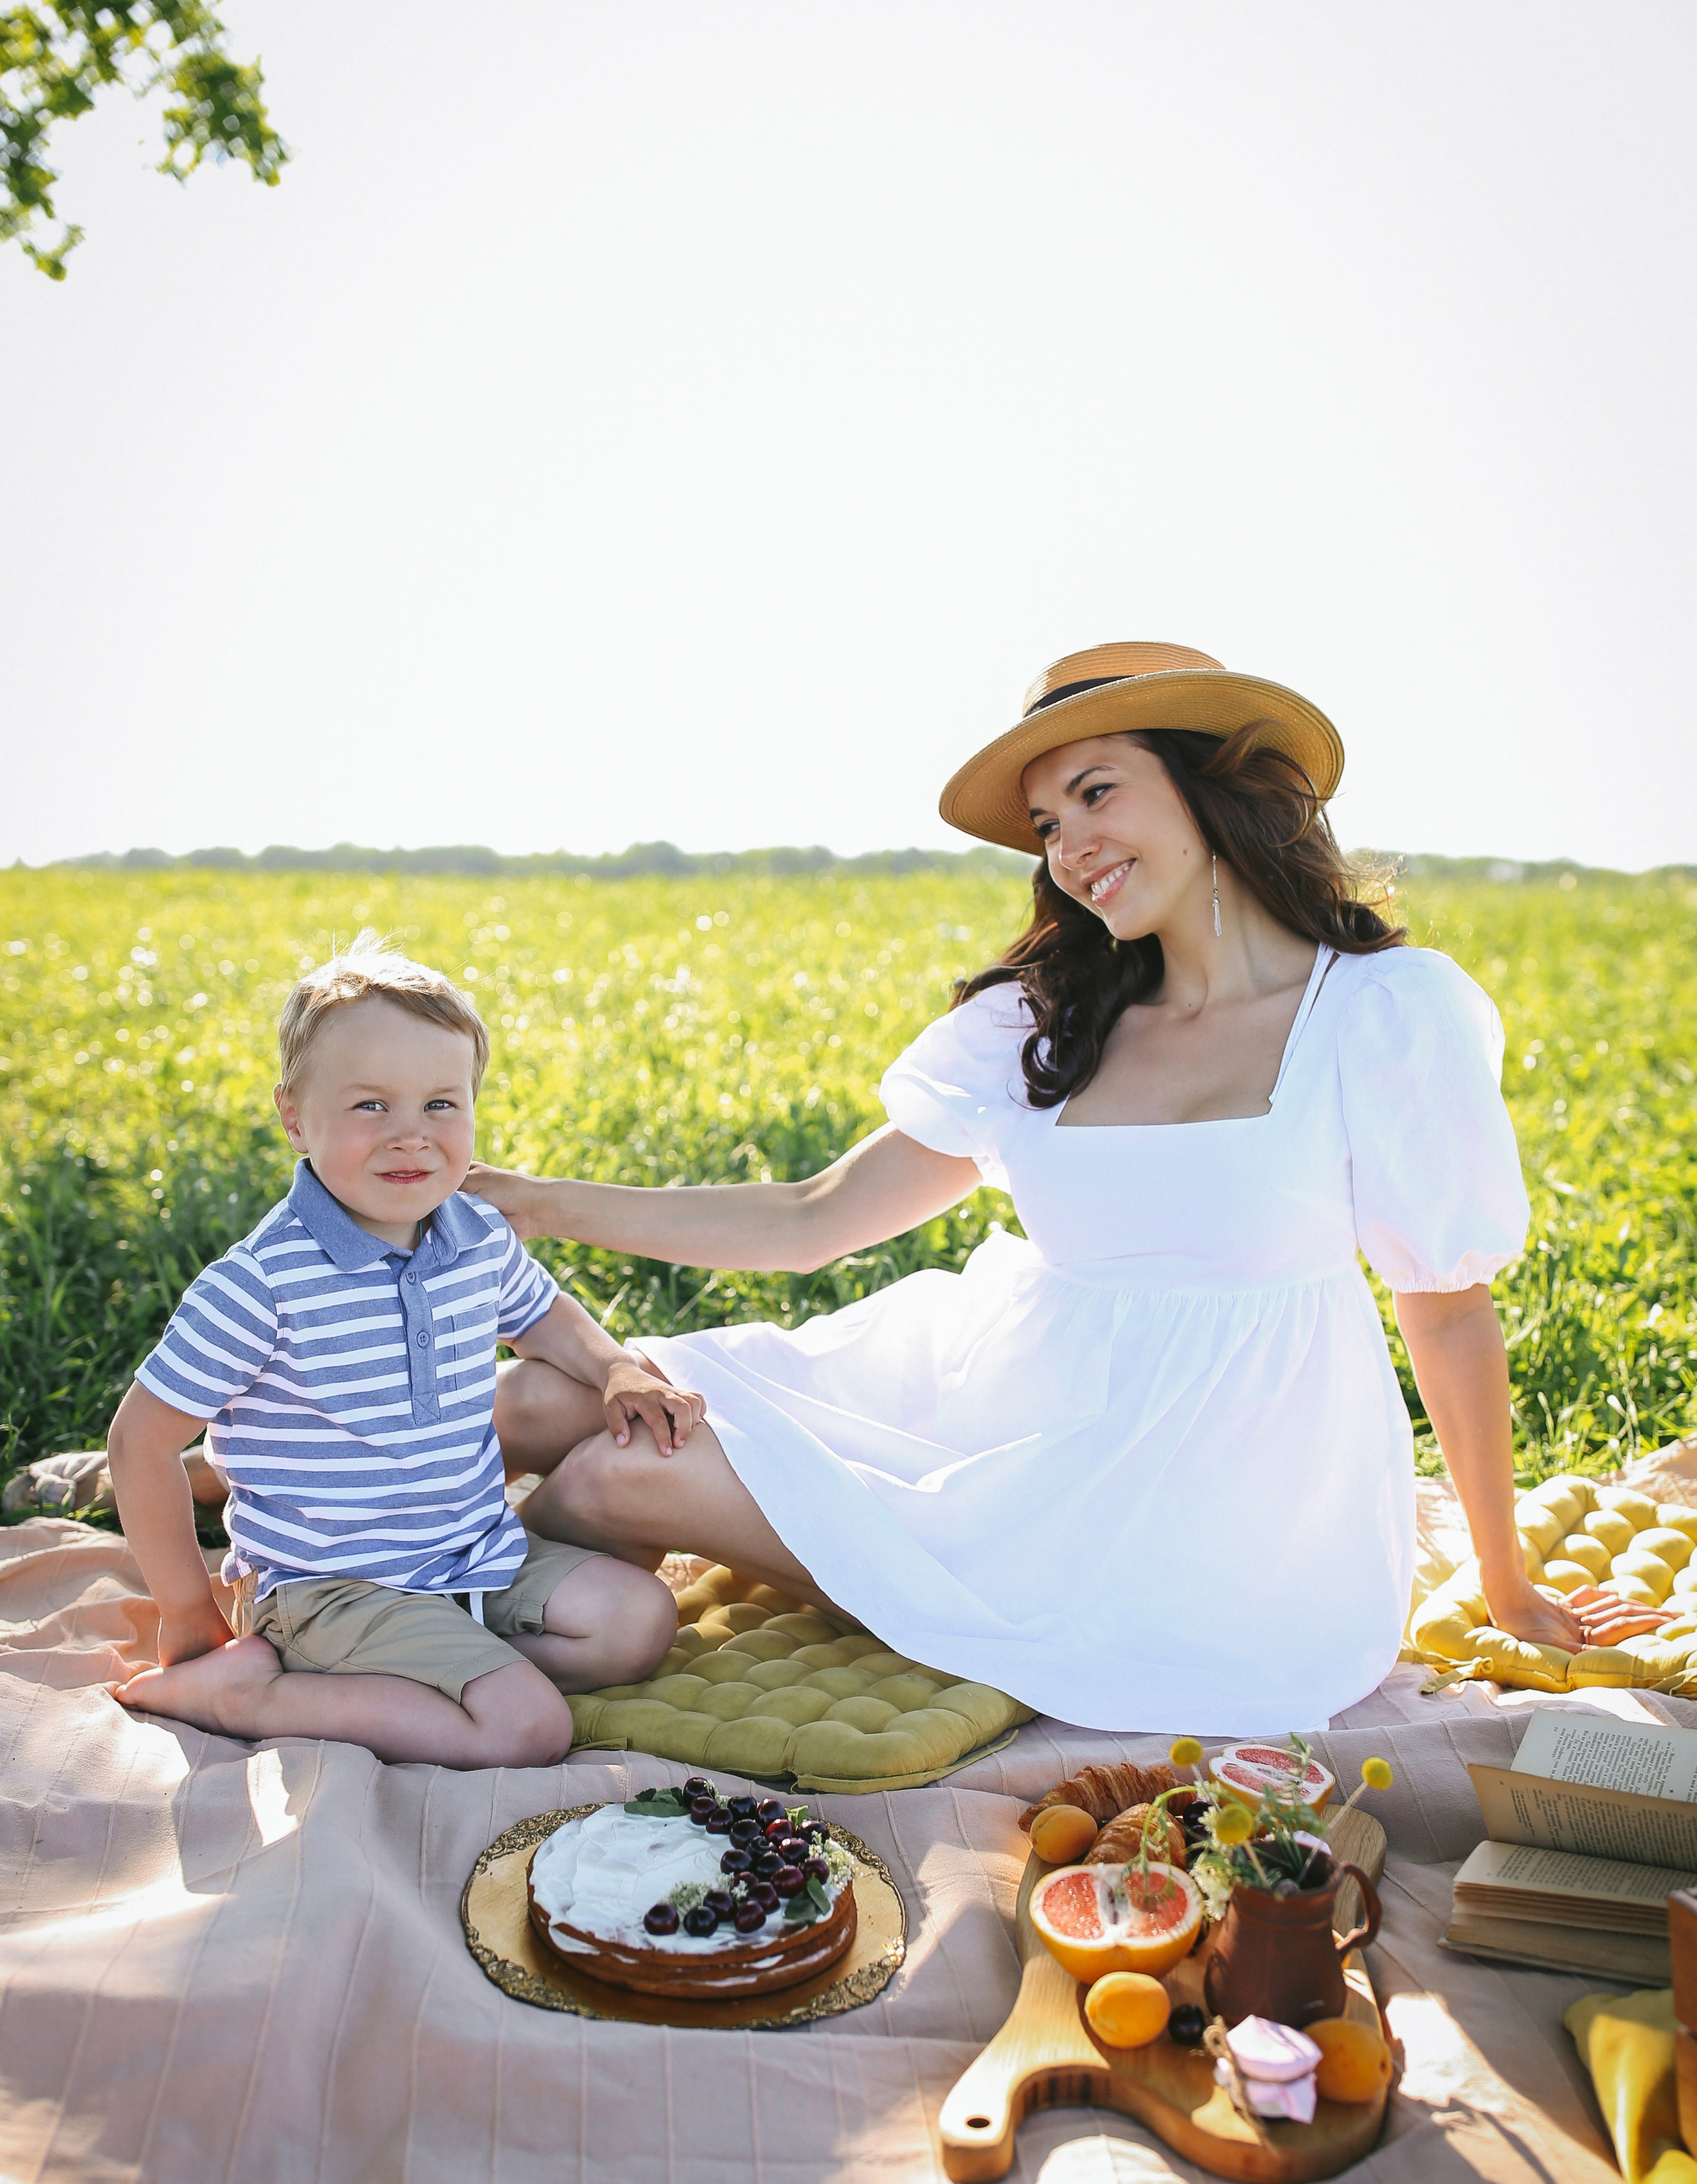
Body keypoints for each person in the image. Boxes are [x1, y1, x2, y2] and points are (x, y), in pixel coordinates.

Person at [468, 642, 1588, 1732]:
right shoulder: (1050, 1020)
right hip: (985, 1407)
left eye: (1098, 792)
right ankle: (463, 1578)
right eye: (1050, 824)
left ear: (1214, 790)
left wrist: (1507, 1577)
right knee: (538, 1401)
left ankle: (464, 1592)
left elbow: (1444, 1307)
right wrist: (541, 1201)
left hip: (1181, 1506)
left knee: (622, 1472)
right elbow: (816, 1218)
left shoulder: (1383, 1013)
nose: (1071, 845)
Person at [107, 934, 681, 1768]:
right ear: (294, 1116)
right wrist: (186, 1607)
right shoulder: (264, 1281)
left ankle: (425, 1678)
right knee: (529, 1728)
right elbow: (140, 1440)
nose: (411, 1137)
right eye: (371, 1106)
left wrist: (613, 1365)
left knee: (639, 1623)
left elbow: (541, 1315)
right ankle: (255, 1692)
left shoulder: (474, 1233)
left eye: (440, 1106)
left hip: (466, 1552)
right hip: (331, 1587)